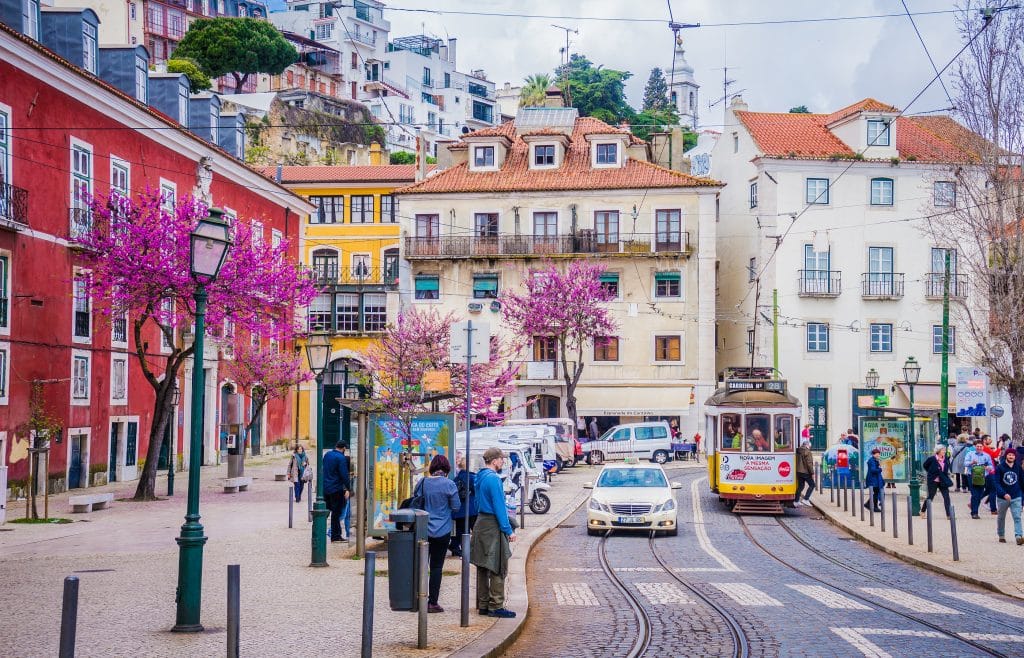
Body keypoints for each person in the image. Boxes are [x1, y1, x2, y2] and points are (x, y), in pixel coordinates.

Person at [470, 447, 517, 619]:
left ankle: (483, 604)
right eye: (501, 459)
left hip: (480, 522)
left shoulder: (479, 477)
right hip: (492, 524)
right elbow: (499, 507)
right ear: (495, 460)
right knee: (498, 564)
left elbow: (476, 502)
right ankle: (496, 605)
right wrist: (508, 530)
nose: (503, 461)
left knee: (483, 565)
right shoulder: (494, 479)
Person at [418, 454, 460, 613]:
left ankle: (418, 597)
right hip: (443, 531)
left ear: (432, 468)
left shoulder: (423, 483)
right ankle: (432, 602)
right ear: (447, 469)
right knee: (436, 567)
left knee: (421, 564)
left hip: (423, 530)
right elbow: (456, 507)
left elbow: (416, 501)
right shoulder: (450, 485)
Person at [993, 449, 1024, 545]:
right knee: (1001, 517)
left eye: (1013, 455)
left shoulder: (1018, 467)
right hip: (1003, 498)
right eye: (1009, 455)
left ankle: (1019, 536)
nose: (1011, 457)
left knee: (1017, 517)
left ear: (1015, 457)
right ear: (1006, 456)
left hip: (1016, 496)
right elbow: (996, 483)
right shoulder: (1000, 467)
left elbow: (1022, 482)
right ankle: (1001, 535)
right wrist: (1003, 493)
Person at [450, 454, 478, 557]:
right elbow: (477, 491)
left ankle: (455, 547)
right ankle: (471, 550)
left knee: (459, 530)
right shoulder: (472, 477)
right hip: (471, 509)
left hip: (458, 510)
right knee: (475, 530)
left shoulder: (456, 478)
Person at [323, 440, 351, 542]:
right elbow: (344, 475)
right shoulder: (341, 458)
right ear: (343, 448)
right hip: (336, 489)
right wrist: (349, 487)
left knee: (326, 512)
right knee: (336, 513)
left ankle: (322, 532)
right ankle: (336, 536)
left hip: (326, 488)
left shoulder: (327, 455)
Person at [965, 438, 996, 519]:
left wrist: (987, 467)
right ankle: (974, 512)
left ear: (983, 447)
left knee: (979, 494)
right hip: (972, 476)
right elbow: (965, 463)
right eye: (977, 446)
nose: (979, 448)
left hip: (983, 477)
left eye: (980, 446)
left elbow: (991, 466)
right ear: (975, 446)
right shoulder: (970, 454)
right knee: (975, 494)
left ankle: (974, 508)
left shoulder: (986, 456)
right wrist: (972, 463)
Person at [921, 444, 953, 516]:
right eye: (943, 450)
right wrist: (931, 472)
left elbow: (946, 469)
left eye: (945, 450)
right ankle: (922, 511)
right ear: (938, 451)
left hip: (943, 480)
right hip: (933, 480)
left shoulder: (946, 459)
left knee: (946, 497)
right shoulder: (932, 459)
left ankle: (949, 515)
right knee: (931, 497)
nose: (944, 451)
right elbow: (925, 465)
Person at [794, 439, 815, 506]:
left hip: (798, 471)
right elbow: (809, 463)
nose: (810, 447)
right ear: (807, 445)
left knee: (800, 486)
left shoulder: (797, 450)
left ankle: (796, 501)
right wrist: (812, 473)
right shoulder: (808, 452)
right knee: (812, 485)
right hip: (805, 472)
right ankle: (806, 499)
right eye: (809, 446)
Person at [863, 447, 884, 512]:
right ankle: (874, 506)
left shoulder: (875, 460)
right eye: (877, 454)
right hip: (873, 480)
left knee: (876, 493)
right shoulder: (872, 461)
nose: (878, 455)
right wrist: (880, 469)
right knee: (876, 493)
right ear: (873, 454)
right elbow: (873, 470)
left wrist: (878, 464)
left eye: (879, 454)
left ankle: (869, 504)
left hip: (874, 479)